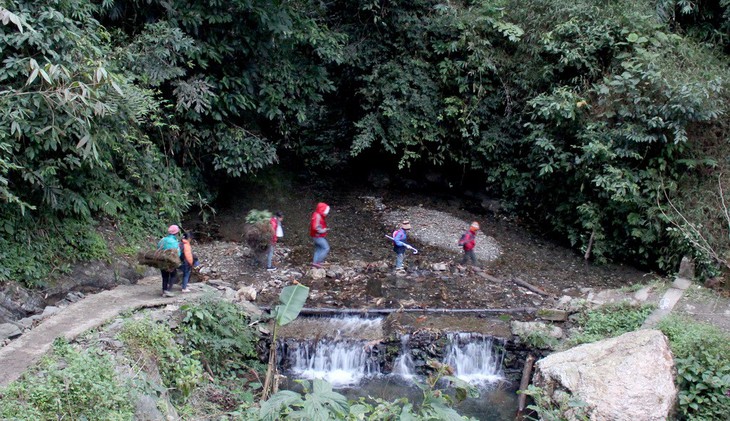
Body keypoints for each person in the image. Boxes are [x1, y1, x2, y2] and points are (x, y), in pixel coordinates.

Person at [158, 224, 181, 297]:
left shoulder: (162, 240)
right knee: (173, 275)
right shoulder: (175, 242)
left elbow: (158, 248)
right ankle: (168, 290)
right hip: (170, 262)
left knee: (164, 276)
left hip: (161, 260)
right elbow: (178, 253)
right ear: (176, 233)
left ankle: (164, 290)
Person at [310, 202, 330, 268]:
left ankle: (314, 263)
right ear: (322, 210)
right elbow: (315, 227)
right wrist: (323, 230)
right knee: (326, 248)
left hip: (315, 236)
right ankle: (319, 262)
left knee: (318, 250)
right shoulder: (317, 216)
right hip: (318, 236)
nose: (326, 213)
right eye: (326, 211)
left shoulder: (316, 214)